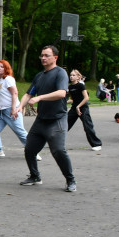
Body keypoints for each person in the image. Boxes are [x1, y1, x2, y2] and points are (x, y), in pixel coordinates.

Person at [17, 45, 76, 192]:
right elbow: (29, 94)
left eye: (46, 55)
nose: (43, 58)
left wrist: (39, 98)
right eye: (42, 55)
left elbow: (62, 93)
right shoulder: (39, 76)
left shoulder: (60, 73)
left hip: (57, 120)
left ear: (55, 58)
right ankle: (35, 176)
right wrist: (19, 107)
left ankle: (70, 180)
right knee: (29, 149)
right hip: (41, 120)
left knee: (58, 151)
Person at [0, 60, 32, 158]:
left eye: (2, 67)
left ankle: (33, 151)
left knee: (20, 131)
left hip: (10, 110)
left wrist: (13, 109)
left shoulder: (8, 79)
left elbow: (15, 93)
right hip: (0, 112)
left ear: (6, 69)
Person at [66, 69, 102, 151]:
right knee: (65, 125)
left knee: (87, 126)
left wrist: (78, 106)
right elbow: (72, 99)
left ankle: (96, 144)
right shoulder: (70, 87)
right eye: (70, 75)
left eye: (73, 75)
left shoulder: (81, 86)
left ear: (78, 77)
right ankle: (56, 142)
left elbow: (86, 98)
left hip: (83, 108)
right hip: (74, 108)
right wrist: (64, 102)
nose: (71, 77)